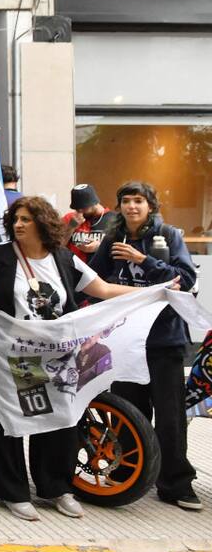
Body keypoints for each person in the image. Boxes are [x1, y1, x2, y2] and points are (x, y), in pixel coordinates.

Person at [0, 196, 138, 521]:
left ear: (43, 223)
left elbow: (102, 289)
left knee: (61, 418)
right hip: (10, 357)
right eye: (15, 219)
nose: (18, 224)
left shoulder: (63, 258)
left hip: (57, 356)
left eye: (26, 219)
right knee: (10, 423)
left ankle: (56, 488)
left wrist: (154, 290)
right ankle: (13, 492)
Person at [87, 181, 201, 511]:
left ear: (150, 205)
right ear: (118, 206)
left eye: (138, 201)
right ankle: (127, 473)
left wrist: (144, 259)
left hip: (165, 341)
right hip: (124, 342)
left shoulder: (169, 235)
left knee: (170, 417)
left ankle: (176, 484)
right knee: (128, 414)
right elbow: (93, 283)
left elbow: (186, 280)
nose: (132, 207)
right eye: (126, 201)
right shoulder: (111, 239)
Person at [62, 184, 112, 262]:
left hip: (102, 271)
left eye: (83, 208)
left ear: (94, 202)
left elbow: (123, 248)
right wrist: (71, 227)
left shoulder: (113, 219)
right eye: (77, 208)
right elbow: (56, 247)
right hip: (74, 270)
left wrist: (101, 246)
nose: (79, 211)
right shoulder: (70, 218)